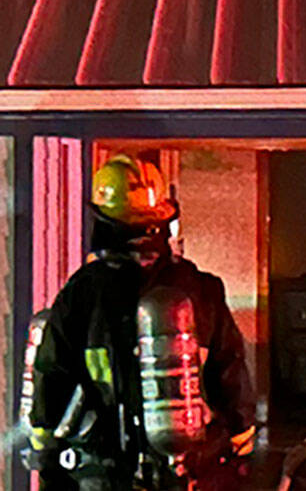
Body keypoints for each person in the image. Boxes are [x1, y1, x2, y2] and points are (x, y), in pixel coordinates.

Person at [23, 154, 255, 490]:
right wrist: (236, 437)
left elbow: (51, 374)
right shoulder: (202, 289)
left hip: (106, 471)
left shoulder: (82, 292)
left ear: (103, 222)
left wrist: (46, 448)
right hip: (189, 471)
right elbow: (231, 372)